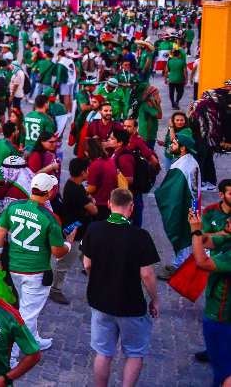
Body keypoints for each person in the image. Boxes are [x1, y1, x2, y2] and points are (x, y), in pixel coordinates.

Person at [80, 188, 160, 387]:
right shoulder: (140, 236)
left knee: (103, 353)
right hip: (130, 304)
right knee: (134, 353)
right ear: (131, 207)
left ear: (109, 204)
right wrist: (155, 299)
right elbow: (147, 274)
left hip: (100, 301)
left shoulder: (94, 229)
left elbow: (87, 264)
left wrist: (96, 279)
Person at [0, 172, 72, 354]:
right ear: (50, 192)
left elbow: (0, 233)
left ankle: (33, 339)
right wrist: (68, 243)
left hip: (13, 267)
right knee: (27, 314)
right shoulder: (50, 218)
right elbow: (58, 252)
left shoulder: (13, 207)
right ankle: (11, 355)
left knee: (27, 308)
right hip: (36, 272)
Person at [189, 201, 231, 387]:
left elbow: (202, 262)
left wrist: (196, 232)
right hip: (220, 311)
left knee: (223, 372)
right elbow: (207, 241)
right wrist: (196, 230)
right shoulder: (228, 237)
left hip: (221, 315)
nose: (227, 221)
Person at [49, 157, 97, 305]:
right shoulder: (77, 190)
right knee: (65, 262)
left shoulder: (72, 184)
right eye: (87, 170)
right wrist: (91, 203)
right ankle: (55, 289)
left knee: (85, 255)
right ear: (83, 172)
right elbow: (94, 210)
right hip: (74, 232)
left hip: (76, 229)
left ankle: (95, 281)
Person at [154, 128, 200, 278]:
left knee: (181, 235)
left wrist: (159, 193)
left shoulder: (182, 166)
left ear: (183, 148)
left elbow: (172, 192)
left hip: (184, 207)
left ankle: (181, 268)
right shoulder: (189, 161)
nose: (171, 145)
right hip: (191, 205)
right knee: (185, 236)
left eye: (174, 143)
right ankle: (179, 264)